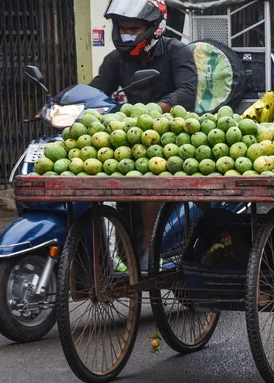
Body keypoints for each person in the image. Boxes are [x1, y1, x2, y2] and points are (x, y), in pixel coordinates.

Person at [90, 0, 199, 269]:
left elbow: (186, 93)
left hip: (174, 134)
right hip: (129, 136)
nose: (127, 33)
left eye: (133, 28)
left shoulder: (177, 52)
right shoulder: (117, 60)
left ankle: (148, 247)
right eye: (123, 28)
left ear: (152, 29)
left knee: (150, 177)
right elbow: (97, 91)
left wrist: (154, 112)